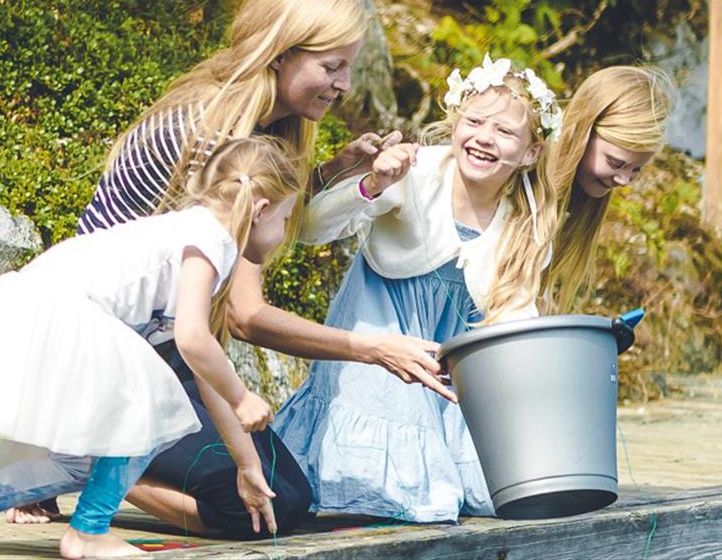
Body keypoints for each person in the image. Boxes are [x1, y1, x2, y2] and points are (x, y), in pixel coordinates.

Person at [9, 0, 452, 539]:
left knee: (289, 499)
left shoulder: (263, 129)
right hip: (97, 355)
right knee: (251, 513)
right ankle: (67, 457)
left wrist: (336, 172)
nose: (343, 84)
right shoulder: (214, 135)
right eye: (331, 66)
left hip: (156, 347)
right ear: (280, 52)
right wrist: (370, 348)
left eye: (349, 66)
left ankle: (90, 454)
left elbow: (262, 223)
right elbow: (243, 314)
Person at [0, 138, 301, 558]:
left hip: (35, 307)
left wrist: (248, 466)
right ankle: (89, 529)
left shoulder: (189, 230)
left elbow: (203, 369)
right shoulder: (213, 239)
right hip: (67, 313)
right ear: (261, 209)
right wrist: (243, 396)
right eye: (287, 218)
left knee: (77, 462)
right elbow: (193, 340)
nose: (284, 233)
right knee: (153, 406)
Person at [272, 55, 563, 523]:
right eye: (474, 122)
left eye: (505, 132)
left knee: (496, 492)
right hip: (383, 339)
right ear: (454, 124)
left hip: (452, 369)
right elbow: (308, 229)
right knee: (401, 488)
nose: (484, 137)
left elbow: (515, 316)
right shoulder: (416, 172)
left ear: (530, 152)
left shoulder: (527, 222)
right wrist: (370, 184)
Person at [541, 66, 672, 311]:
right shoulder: (523, 185)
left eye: (636, 170)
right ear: (582, 133)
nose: (623, 180)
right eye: (615, 163)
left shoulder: (578, 203)